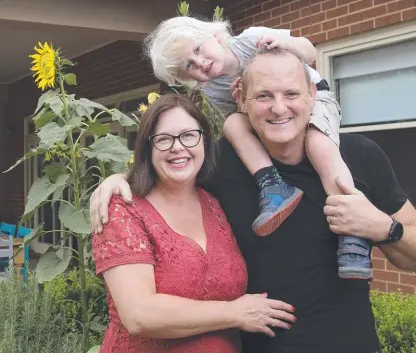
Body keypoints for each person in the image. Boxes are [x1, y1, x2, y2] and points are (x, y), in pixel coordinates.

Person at [91, 48, 416, 353]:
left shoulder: (360, 158)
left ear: (312, 96)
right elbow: (170, 170)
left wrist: (384, 228)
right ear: (242, 100)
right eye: (263, 96)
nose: (278, 107)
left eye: (291, 94)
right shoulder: (220, 164)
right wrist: (119, 181)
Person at [144, 16, 369, 281]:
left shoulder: (251, 40)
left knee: (319, 145)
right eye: (189, 66)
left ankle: (352, 227)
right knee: (232, 125)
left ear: (214, 36)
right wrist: (243, 100)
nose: (200, 63)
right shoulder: (213, 90)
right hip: (270, 116)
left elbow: (309, 50)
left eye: (197, 50)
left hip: (312, 98)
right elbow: (246, 119)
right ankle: (273, 185)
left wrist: (286, 43)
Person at [92, 93, 296, 353]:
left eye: (189, 135)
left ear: (204, 142)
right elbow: (139, 314)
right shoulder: (124, 207)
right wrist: (235, 313)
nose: (178, 147)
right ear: (147, 148)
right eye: (164, 139)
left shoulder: (215, 201)